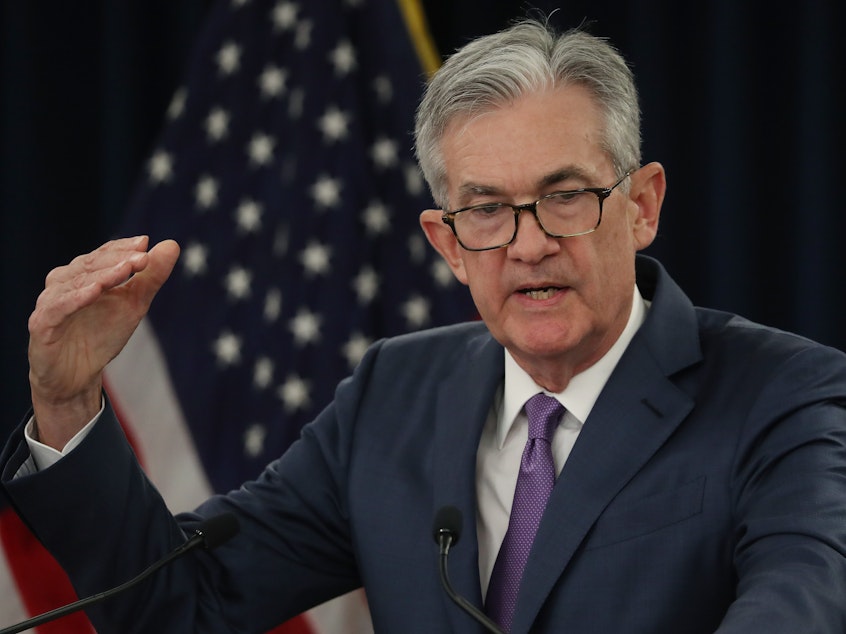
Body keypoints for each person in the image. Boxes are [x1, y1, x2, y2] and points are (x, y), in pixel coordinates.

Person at [3, 17, 846, 634]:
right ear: (445, 243)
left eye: (565, 198)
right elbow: (179, 603)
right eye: (486, 211)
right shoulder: (392, 396)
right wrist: (68, 399)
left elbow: (802, 601)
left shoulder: (784, 393)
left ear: (641, 206)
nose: (528, 246)